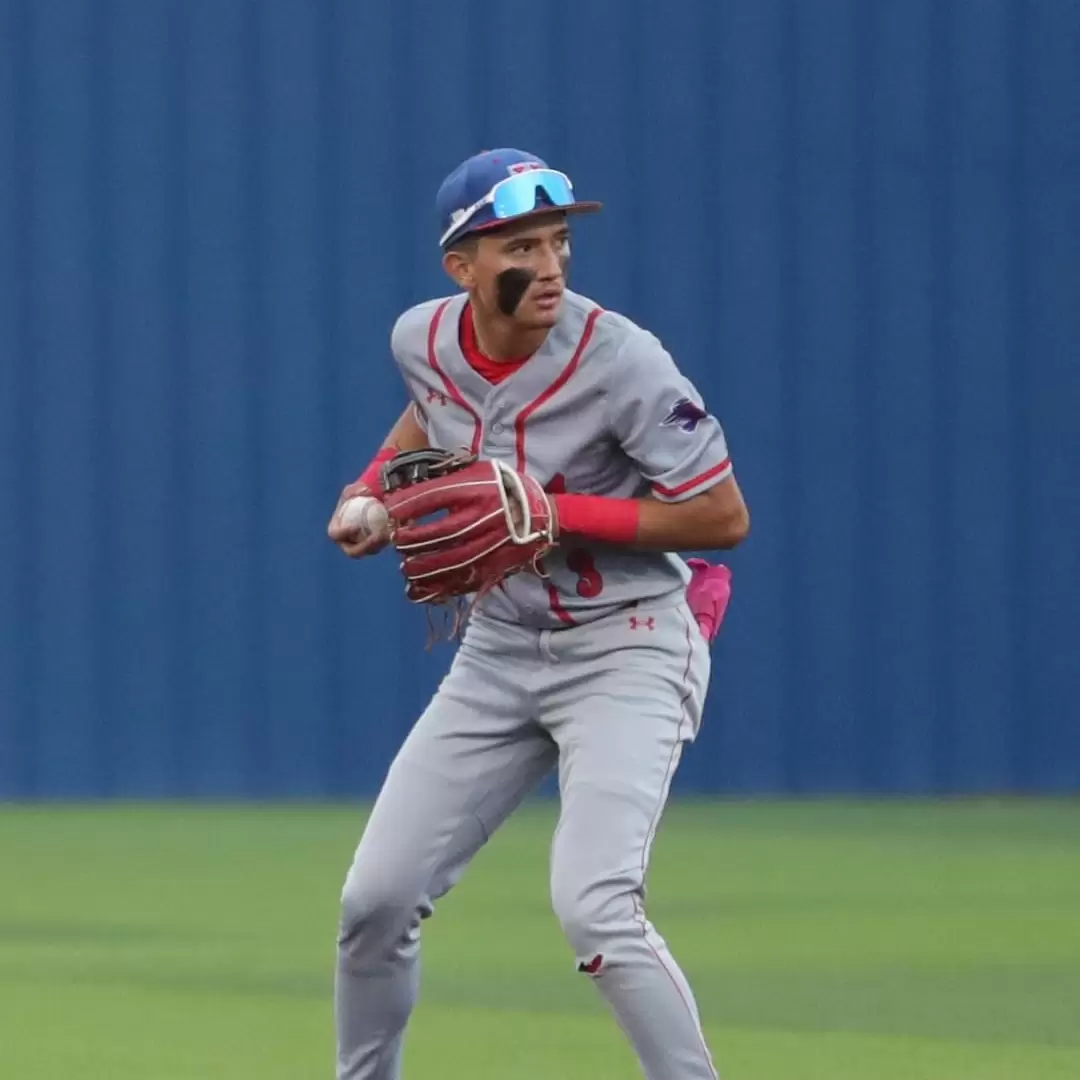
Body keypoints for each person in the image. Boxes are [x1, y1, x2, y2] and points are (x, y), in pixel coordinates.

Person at [327, 148, 749, 1080]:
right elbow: (431, 410)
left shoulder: (622, 359)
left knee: (596, 909)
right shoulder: (422, 339)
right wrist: (368, 490)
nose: (551, 264)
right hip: (502, 646)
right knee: (374, 903)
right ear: (463, 267)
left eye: (558, 241)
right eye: (521, 247)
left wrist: (560, 514)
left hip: (629, 642)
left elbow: (723, 516)